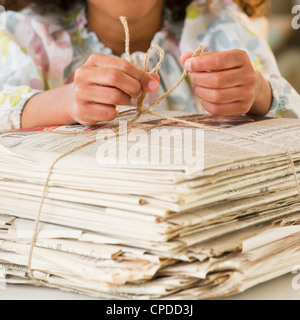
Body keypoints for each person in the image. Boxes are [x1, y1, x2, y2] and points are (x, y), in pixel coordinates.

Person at [0, 0, 299, 130]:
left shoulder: (219, 25)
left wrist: (259, 92)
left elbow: (291, 119)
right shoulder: (25, 34)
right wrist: (65, 101)